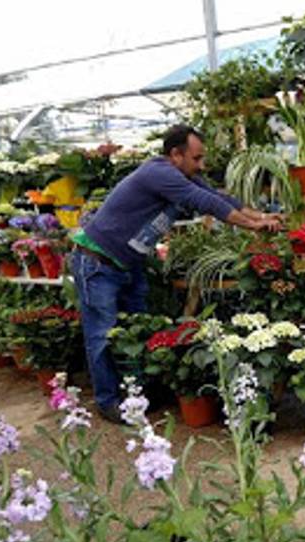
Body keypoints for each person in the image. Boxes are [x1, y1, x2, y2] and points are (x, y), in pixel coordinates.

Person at [70, 125, 279, 423]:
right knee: (101, 334)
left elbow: (218, 197)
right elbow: (206, 203)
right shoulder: (159, 173)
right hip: (97, 263)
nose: (201, 165)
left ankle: (137, 394)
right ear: (175, 155)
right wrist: (253, 226)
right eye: (196, 158)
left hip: (129, 263)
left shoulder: (183, 175)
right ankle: (108, 401)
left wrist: (261, 216)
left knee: (139, 329)